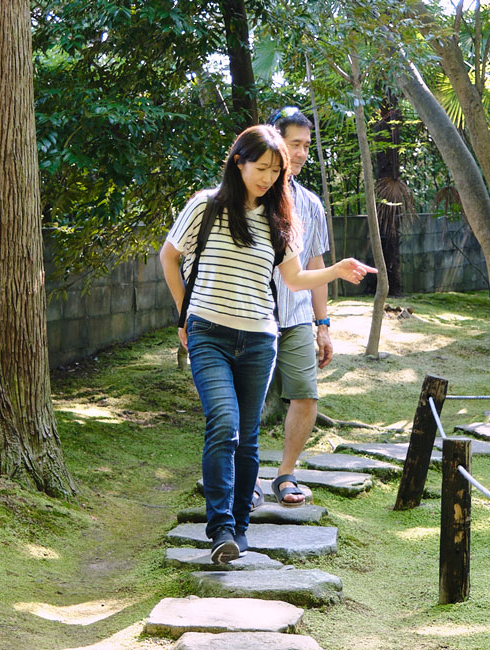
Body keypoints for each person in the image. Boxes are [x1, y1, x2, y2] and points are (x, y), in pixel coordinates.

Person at [159, 125, 375, 564]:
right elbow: (169, 256)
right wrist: (185, 313)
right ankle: (219, 527)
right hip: (209, 333)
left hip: (260, 339)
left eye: (276, 171)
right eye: (262, 168)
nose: (269, 178)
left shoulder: (281, 218)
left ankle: (239, 529)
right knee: (224, 423)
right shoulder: (204, 205)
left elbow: (294, 279)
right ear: (238, 162)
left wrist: (336, 270)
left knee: (248, 439)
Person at [266, 106, 337, 507]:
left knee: (305, 396)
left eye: (307, 146)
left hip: (294, 318)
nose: (302, 153)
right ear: (275, 142)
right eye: (295, 144)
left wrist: (322, 324)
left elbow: (316, 266)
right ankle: (240, 481)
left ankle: (285, 474)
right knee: (242, 403)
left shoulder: (310, 204)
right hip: (251, 315)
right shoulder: (252, 195)